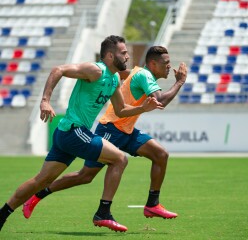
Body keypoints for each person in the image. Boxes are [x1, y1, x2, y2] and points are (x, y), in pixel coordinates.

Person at [0, 35, 163, 233]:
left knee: (41, 181)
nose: (128, 56)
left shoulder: (112, 79)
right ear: (110, 56)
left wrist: (143, 108)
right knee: (119, 159)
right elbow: (57, 70)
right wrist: (45, 100)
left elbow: (121, 110)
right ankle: (103, 213)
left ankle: (1, 216)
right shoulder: (95, 70)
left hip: (66, 133)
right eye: (123, 52)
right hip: (74, 131)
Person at [22, 46, 187, 223]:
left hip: (127, 131)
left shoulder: (140, 73)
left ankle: (152, 205)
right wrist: (179, 82)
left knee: (160, 154)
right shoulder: (145, 75)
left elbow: (125, 74)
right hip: (111, 129)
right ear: (153, 64)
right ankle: (38, 195)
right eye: (166, 63)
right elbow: (160, 101)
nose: (170, 66)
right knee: (85, 176)